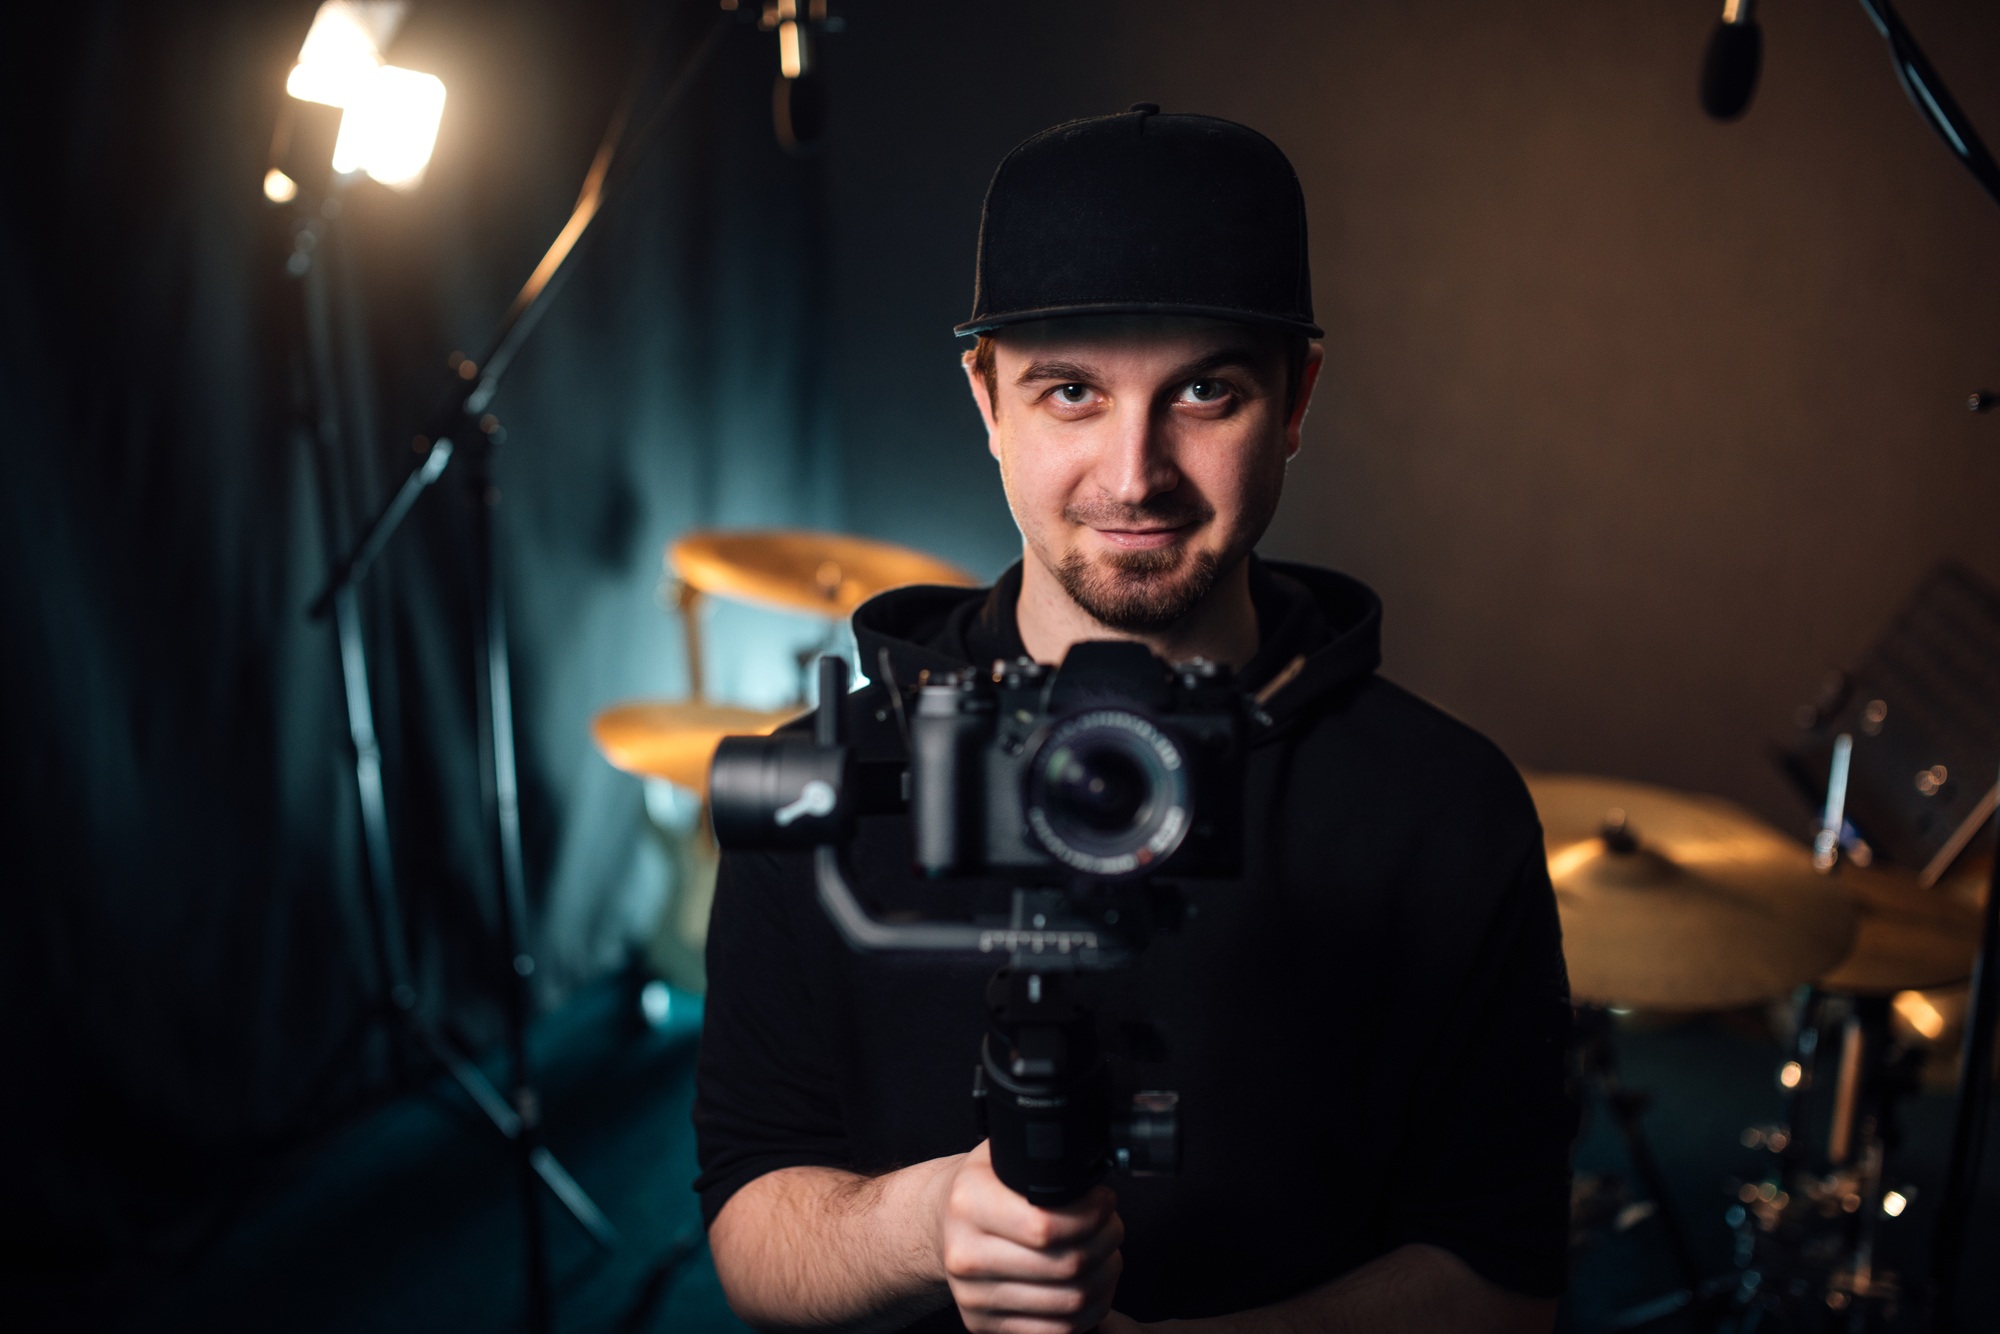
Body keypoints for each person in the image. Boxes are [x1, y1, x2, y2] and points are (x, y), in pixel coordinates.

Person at [694, 106, 1573, 1334]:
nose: (1132, 474)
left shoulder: (1446, 807)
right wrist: (935, 1215)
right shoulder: (825, 777)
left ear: (1296, 397)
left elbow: (1505, 1275)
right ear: (986, 398)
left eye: (1205, 390)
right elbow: (751, 1219)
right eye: (1069, 392)